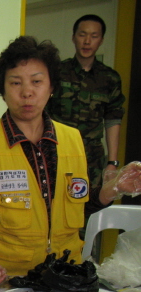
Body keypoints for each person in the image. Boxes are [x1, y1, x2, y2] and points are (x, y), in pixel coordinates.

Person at [0, 36, 141, 285]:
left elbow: (80, 206)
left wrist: (112, 189)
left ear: (51, 86)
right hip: (7, 278)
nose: (27, 92)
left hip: (67, 276)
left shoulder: (73, 139)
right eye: (15, 83)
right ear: (2, 89)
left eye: (37, 81)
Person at [47, 14, 125, 191]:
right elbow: (41, 112)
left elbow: (113, 120)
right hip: (57, 153)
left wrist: (112, 163)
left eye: (94, 36)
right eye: (82, 34)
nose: (87, 41)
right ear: (73, 37)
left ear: (101, 40)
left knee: (88, 207)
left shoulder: (110, 78)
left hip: (92, 158)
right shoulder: (57, 72)